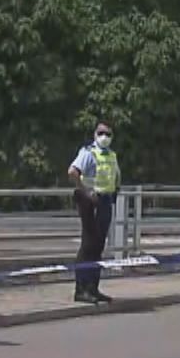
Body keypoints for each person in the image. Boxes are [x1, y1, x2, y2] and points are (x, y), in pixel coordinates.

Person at [66, 121, 119, 304]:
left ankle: (93, 288)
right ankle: (80, 290)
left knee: (98, 246)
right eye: (101, 133)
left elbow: (114, 178)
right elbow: (72, 172)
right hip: (90, 201)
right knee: (88, 245)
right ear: (95, 134)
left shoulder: (112, 155)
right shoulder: (88, 152)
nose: (105, 137)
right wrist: (86, 191)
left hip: (105, 201)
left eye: (108, 133)